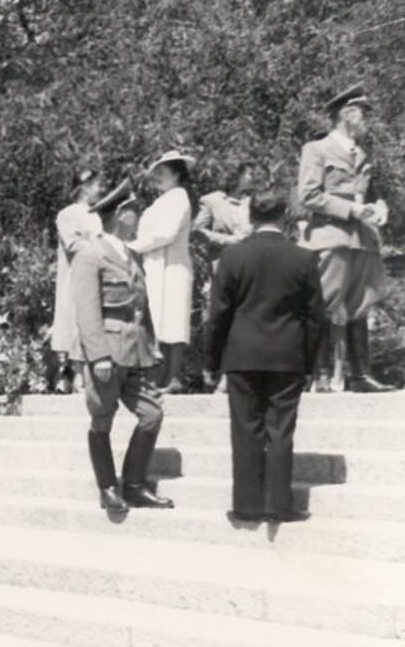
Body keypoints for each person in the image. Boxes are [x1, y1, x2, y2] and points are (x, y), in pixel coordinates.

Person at [206, 192, 327, 523]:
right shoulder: (303, 258)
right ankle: (278, 504)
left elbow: (218, 314)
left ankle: (246, 505)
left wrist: (213, 361)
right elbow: (316, 317)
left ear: (251, 215)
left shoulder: (232, 256)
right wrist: (311, 363)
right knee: (280, 430)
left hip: (242, 355)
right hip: (288, 356)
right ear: (285, 215)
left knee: (245, 430)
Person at [70, 180, 173, 512]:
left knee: (151, 415)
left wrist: (152, 346)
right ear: (120, 215)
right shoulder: (91, 254)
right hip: (108, 352)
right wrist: (98, 354)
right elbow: (86, 310)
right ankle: (107, 488)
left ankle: (134, 484)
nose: (139, 216)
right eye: (134, 211)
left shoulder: (130, 254)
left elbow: (140, 306)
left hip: (136, 350)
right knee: (102, 419)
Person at [297, 82, 393, 393]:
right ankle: (321, 374)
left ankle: (359, 375)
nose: (367, 120)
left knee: (360, 306)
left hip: (362, 240)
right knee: (325, 305)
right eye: (364, 114)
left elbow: (370, 192)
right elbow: (309, 195)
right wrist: (352, 209)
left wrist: (380, 207)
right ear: (346, 114)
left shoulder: (363, 153)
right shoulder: (317, 149)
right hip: (330, 237)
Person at [194, 162, 264, 394]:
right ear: (235, 175)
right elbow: (198, 231)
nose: (252, 177)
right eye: (248, 173)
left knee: (249, 319)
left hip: (253, 266)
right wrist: (229, 240)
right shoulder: (212, 200)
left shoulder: (254, 200)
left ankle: (247, 376)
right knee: (225, 320)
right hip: (223, 265)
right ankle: (220, 375)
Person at [129, 151, 195, 393]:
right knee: (158, 320)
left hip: (173, 267)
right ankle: (161, 377)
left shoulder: (179, 197)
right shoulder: (161, 201)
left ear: (177, 174)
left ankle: (173, 377)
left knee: (174, 321)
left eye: (163, 173)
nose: (157, 177)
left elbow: (167, 233)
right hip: (155, 266)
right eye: (155, 173)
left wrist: (133, 247)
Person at [52, 169, 105, 393]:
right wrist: (101, 247)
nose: (101, 190)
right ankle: (75, 378)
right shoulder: (67, 214)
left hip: (95, 277)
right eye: (97, 185)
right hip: (75, 278)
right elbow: (73, 244)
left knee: (91, 324)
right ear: (85, 187)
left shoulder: (96, 215)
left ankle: (89, 378)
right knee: (74, 324)